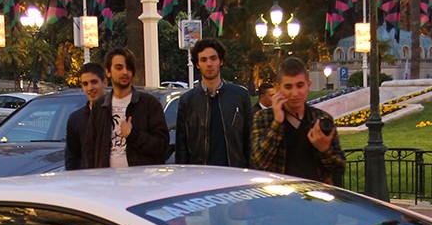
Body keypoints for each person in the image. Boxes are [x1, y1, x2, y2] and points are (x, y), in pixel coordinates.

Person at [250, 56, 345, 183]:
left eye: (300, 86)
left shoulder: (321, 118)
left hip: (315, 196)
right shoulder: (264, 117)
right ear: (279, 88)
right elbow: (258, 163)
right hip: (279, 196)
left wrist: (324, 149)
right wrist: (277, 123)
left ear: (308, 85)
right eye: (288, 87)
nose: (295, 93)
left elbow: (339, 168)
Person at [80, 47, 169, 168]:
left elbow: (162, 146)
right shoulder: (100, 106)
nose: (125, 72)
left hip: (141, 181)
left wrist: (133, 135)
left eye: (129, 68)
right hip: (108, 181)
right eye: (119, 67)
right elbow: (90, 147)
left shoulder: (149, 104)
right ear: (108, 71)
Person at [176, 37, 253, 166]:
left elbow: (249, 140)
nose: (209, 64)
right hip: (200, 176)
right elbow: (181, 148)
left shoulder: (240, 96)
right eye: (203, 60)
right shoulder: (187, 101)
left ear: (221, 61)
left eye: (213, 58)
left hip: (235, 173)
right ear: (197, 64)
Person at [63, 62, 108, 171]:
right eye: (85, 84)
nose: (90, 88)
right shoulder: (76, 119)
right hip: (87, 182)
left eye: (94, 82)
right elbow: (72, 156)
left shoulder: (117, 113)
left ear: (105, 83)